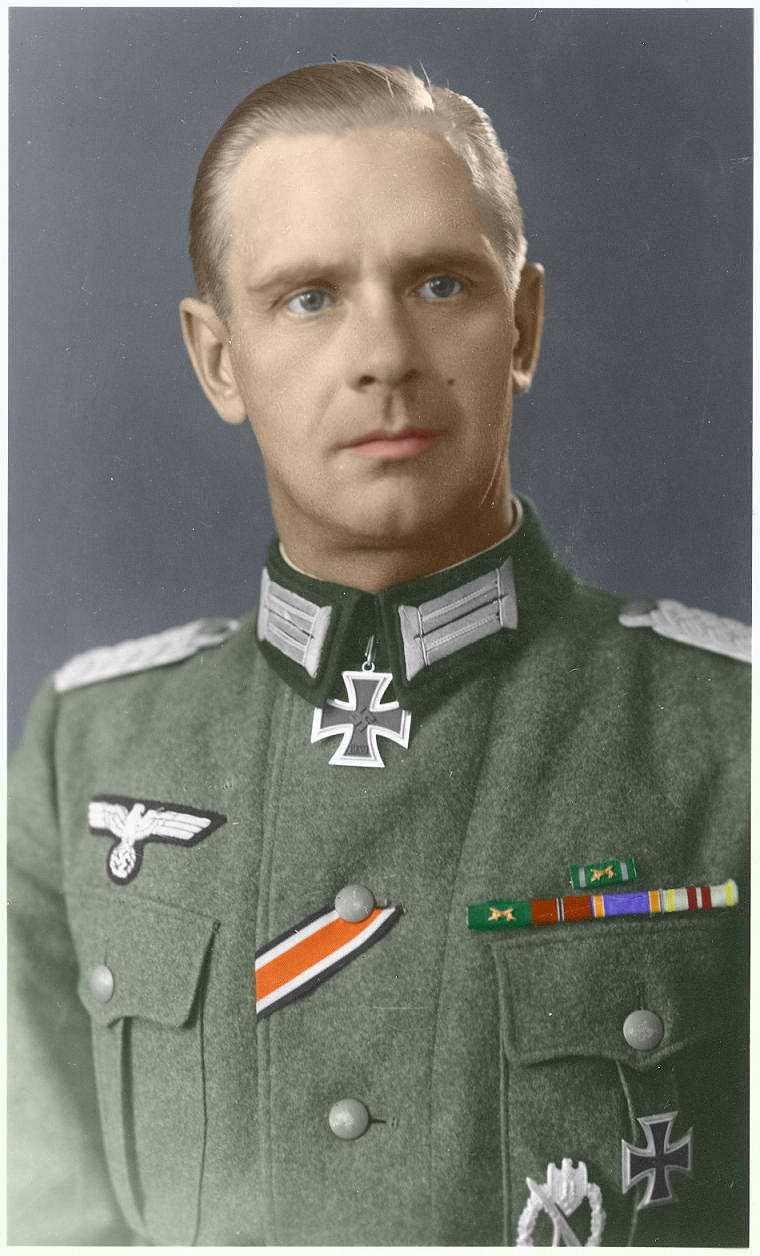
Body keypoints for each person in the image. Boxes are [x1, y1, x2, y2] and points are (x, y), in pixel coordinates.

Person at [8, 61, 750, 1247]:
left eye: (440, 283)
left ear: (522, 325)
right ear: (218, 357)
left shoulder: (725, 735)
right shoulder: (83, 749)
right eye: (308, 297)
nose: (386, 354)